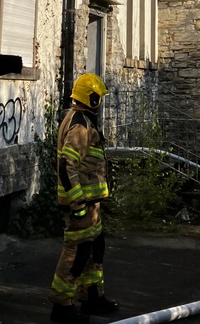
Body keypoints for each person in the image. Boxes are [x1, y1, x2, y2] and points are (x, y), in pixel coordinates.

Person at [48, 73, 119, 323]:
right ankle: (62, 306)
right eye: (99, 97)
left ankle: (92, 297)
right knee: (77, 253)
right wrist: (77, 204)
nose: (101, 101)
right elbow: (67, 166)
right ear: (92, 98)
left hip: (92, 206)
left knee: (95, 248)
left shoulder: (84, 120)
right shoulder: (79, 124)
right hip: (81, 206)